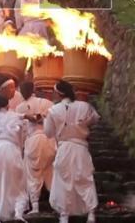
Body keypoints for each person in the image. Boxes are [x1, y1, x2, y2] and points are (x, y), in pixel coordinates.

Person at [44, 80, 99, 223]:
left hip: (65, 148)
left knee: (64, 180)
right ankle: (91, 213)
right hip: (81, 147)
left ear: (59, 93)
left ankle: (64, 214)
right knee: (85, 179)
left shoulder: (53, 110)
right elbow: (94, 119)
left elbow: (48, 133)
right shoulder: (84, 106)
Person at [16, 81, 56, 215]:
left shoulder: (20, 108)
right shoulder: (47, 103)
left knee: (33, 175)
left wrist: (20, 147)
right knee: (50, 172)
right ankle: (57, 204)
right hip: (49, 141)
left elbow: (20, 131)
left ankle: (35, 206)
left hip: (33, 141)